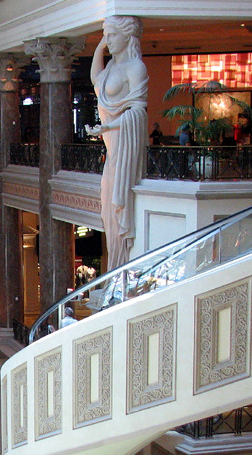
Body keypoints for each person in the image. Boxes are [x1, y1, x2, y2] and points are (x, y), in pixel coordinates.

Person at [87, 16, 148, 271]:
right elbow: (96, 80)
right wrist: (99, 47)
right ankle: (116, 266)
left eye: (112, 36)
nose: (109, 40)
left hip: (124, 142)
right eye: (107, 35)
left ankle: (122, 267)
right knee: (108, 214)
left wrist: (109, 126)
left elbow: (139, 112)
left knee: (118, 203)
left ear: (127, 36)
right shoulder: (111, 66)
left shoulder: (136, 68)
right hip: (112, 146)